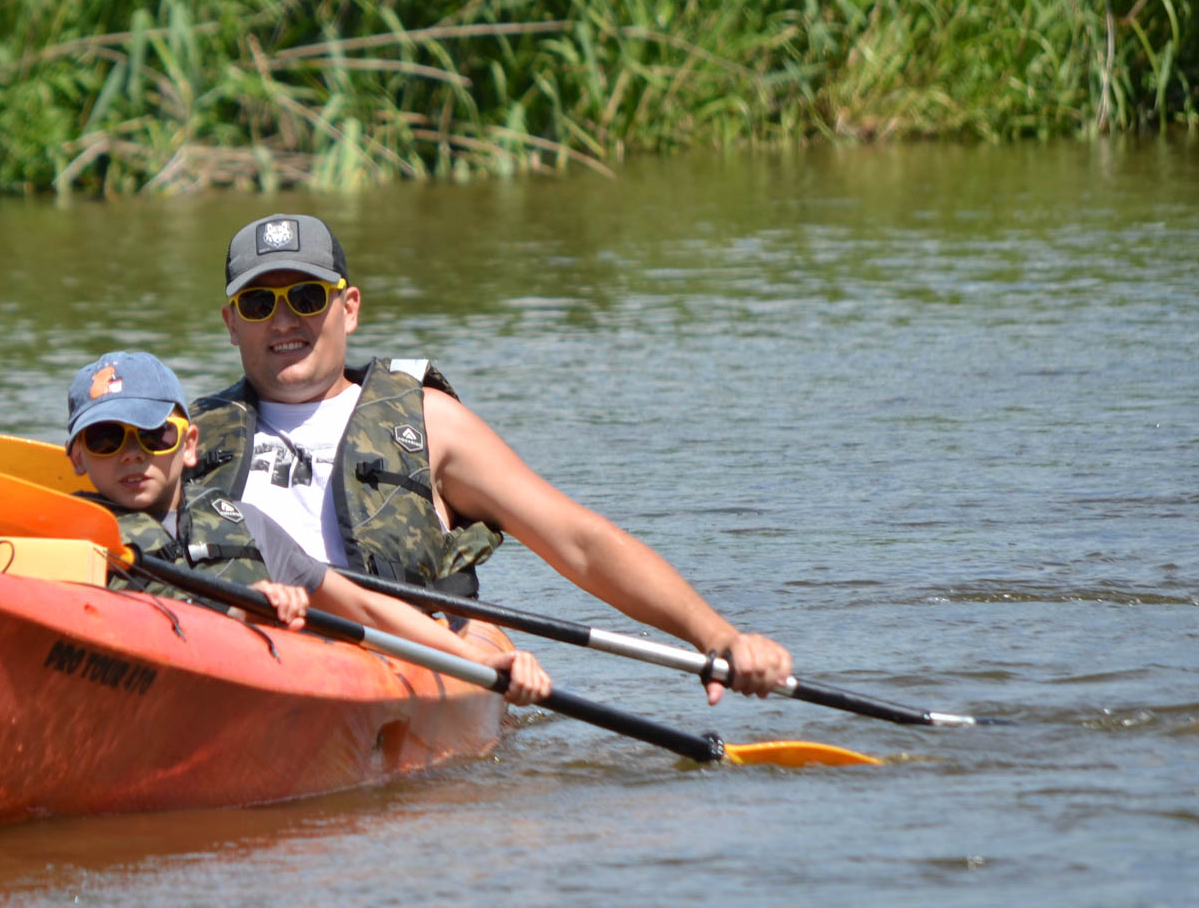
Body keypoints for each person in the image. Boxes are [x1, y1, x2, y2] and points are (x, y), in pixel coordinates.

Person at [188, 212, 792, 705]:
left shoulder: (427, 421)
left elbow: (578, 541)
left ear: (348, 308)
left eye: (305, 296)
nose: (284, 320)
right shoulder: (180, 439)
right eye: (258, 304)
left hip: (400, 667)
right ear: (230, 324)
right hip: (242, 654)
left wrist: (717, 637)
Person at [65, 350, 550, 705]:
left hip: (256, 694)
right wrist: (240, 619)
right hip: (147, 694)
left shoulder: (245, 521)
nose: (132, 454)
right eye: (107, 439)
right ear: (78, 457)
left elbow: (361, 606)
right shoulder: (67, 531)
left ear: (188, 445)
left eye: (153, 435)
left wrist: (477, 662)